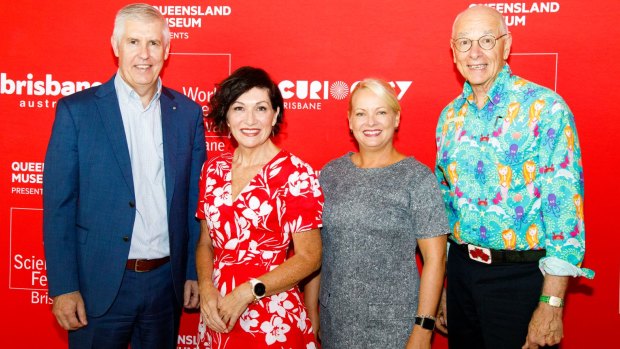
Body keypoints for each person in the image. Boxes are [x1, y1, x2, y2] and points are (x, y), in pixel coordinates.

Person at [43, 3, 205, 348]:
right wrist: (63, 286)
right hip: (95, 286)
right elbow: (59, 207)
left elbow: (195, 202)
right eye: (133, 42)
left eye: (153, 43)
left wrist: (193, 271)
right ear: (115, 47)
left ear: (167, 49)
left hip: (166, 285)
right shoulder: (76, 112)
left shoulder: (188, 114)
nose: (144, 55)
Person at [434, 5, 594, 349]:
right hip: (462, 274)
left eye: (486, 40)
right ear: (452, 50)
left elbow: (565, 216)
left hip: (521, 280)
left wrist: (551, 305)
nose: (474, 53)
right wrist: (446, 286)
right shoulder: (448, 118)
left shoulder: (545, 108)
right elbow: (447, 210)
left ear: (506, 46)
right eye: (464, 43)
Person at [312, 78, 449, 348]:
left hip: (396, 326)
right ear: (350, 121)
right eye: (361, 113)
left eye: (381, 112)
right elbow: (316, 251)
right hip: (336, 323)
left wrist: (423, 328)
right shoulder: (331, 174)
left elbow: (435, 260)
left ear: (396, 118)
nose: (370, 122)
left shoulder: (417, 178)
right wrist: (311, 312)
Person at [195, 66, 323, 348]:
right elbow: (205, 243)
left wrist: (248, 292)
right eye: (239, 108)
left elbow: (310, 257)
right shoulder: (212, 170)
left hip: (271, 316)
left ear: (275, 114)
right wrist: (205, 287)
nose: (250, 120)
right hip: (217, 313)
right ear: (226, 116)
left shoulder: (296, 174)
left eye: (261, 108)